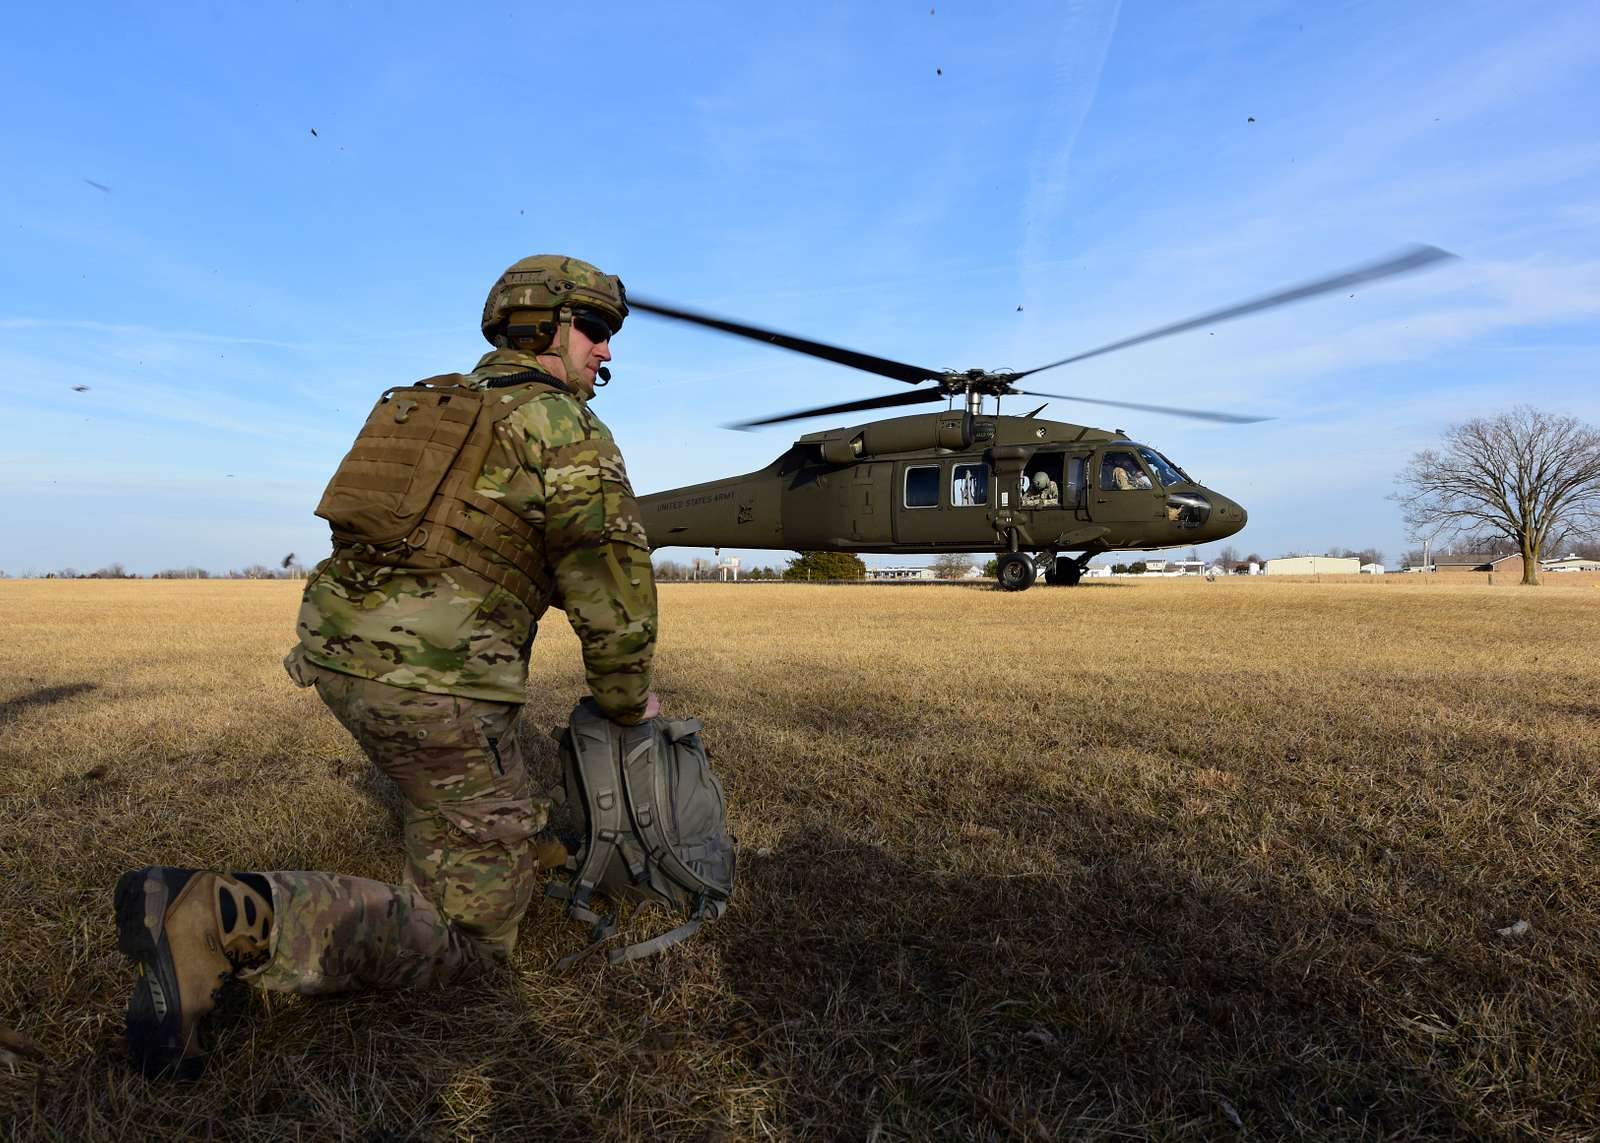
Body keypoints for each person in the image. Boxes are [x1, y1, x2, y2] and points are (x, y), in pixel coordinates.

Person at [114, 255, 659, 1078]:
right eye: (595, 329)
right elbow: (611, 584)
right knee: (468, 951)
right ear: (540, 325)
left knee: (471, 808)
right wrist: (627, 702)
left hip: (343, 655)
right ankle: (223, 916)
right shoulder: (563, 427)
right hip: (433, 685)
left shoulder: (431, 406)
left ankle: (498, 842)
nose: (607, 353)